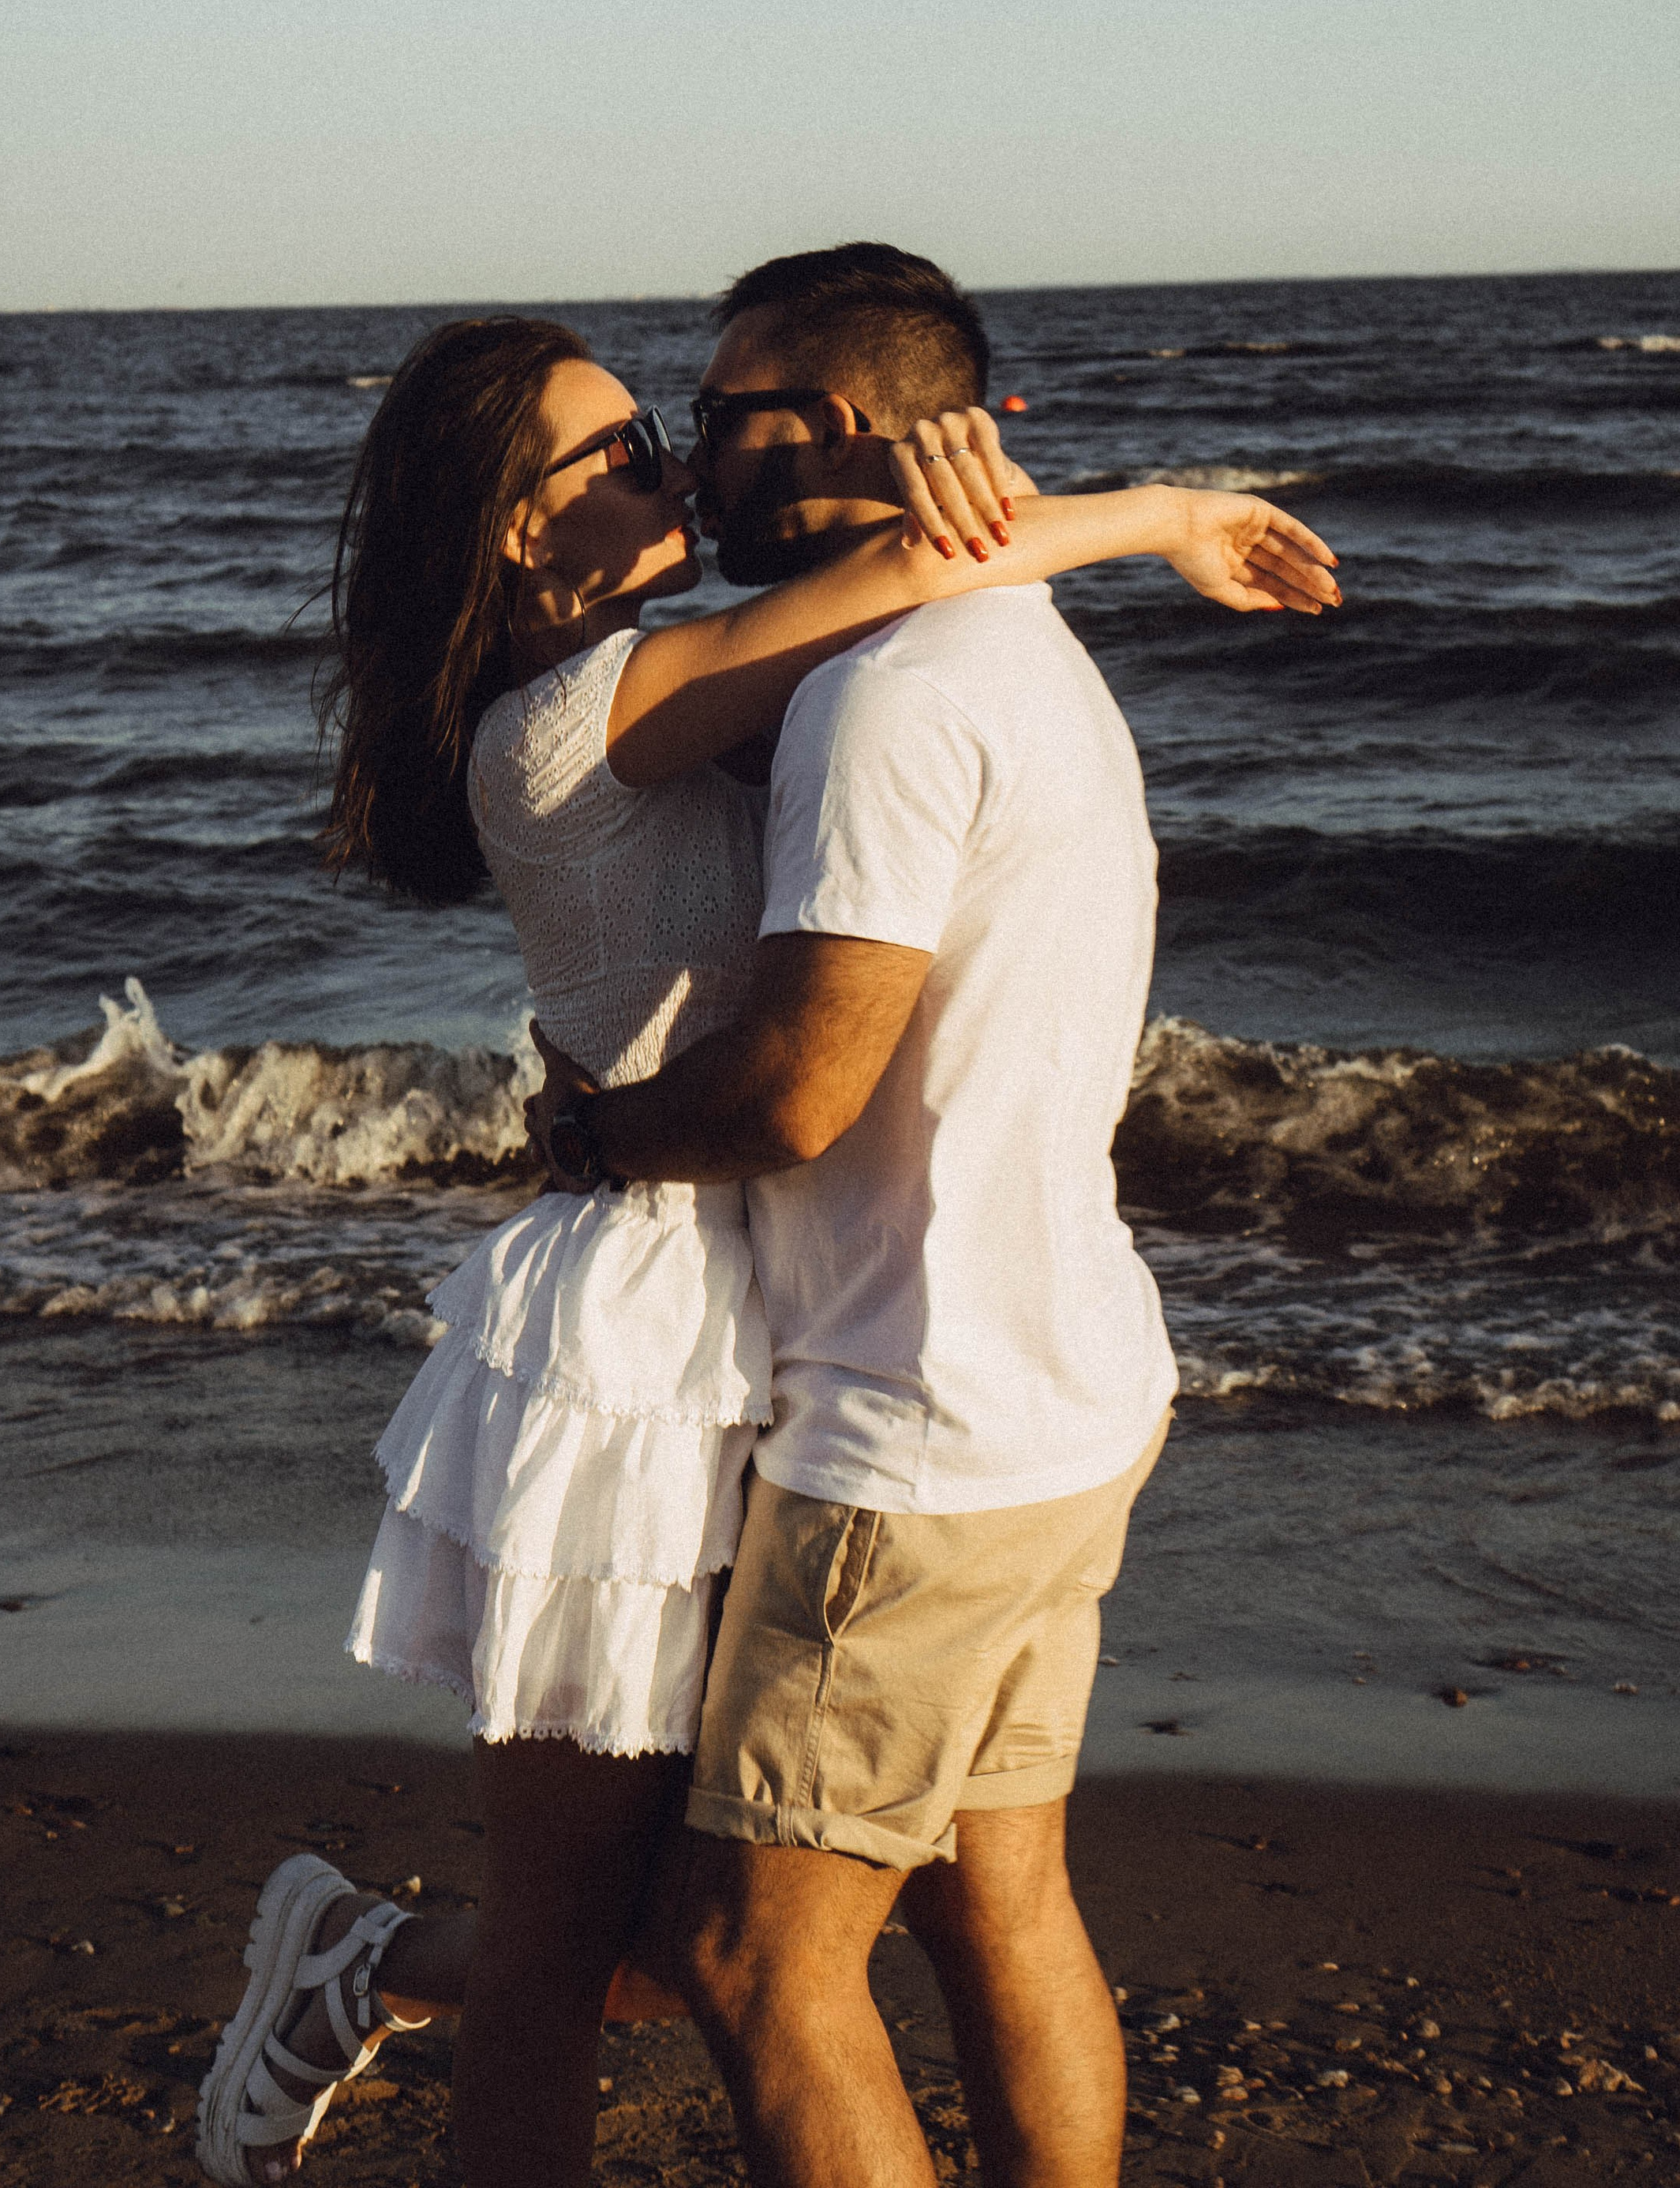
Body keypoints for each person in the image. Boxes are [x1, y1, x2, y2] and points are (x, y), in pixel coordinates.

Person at [195, 286, 1340, 2188]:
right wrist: (1154, 512)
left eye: (671, 428)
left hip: (784, 1323)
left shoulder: (716, 689)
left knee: (736, 1919)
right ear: (507, 522)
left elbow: (904, 588)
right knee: (596, 1941)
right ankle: (364, 1964)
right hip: (639, 1336)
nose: (662, 463)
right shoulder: (578, 719)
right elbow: (867, 601)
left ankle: (361, 1962)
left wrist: (976, 490)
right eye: (618, 447)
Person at [528, 242, 1330, 2188]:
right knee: (994, 1895)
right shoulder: (1023, 652)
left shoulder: (882, 697)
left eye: (715, 418)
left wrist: (599, 1140)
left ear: (822, 430)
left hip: (914, 1429)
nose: (693, 459)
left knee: (751, 1956)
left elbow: (803, 1089)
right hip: (1071, 1389)